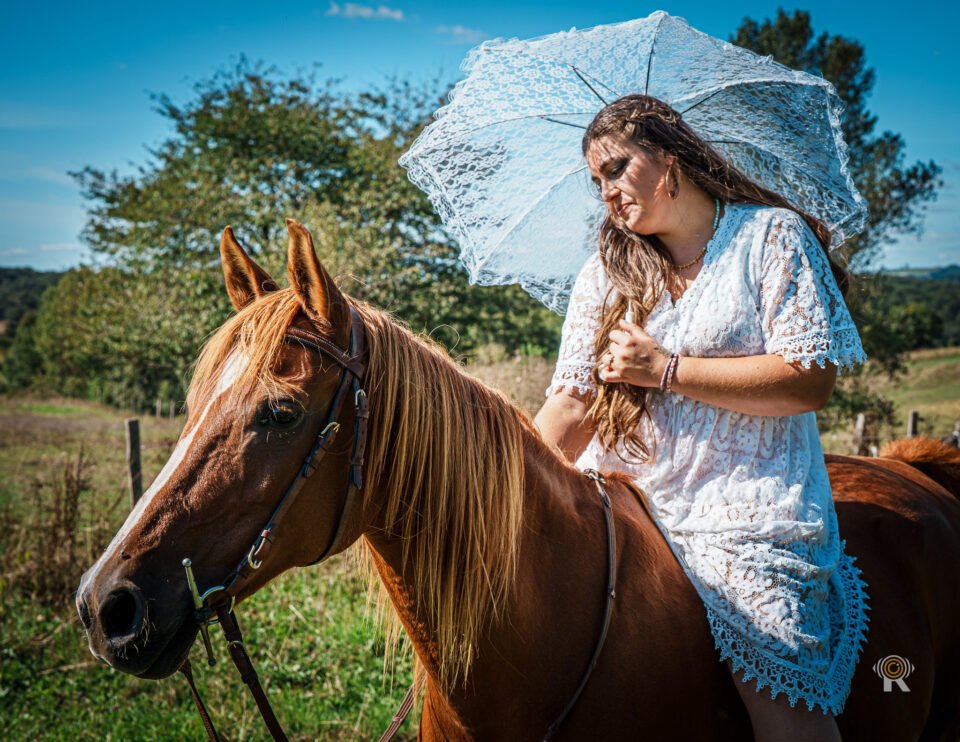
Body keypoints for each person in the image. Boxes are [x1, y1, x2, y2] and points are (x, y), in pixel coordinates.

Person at [534, 95, 870, 742]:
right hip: (626, 499)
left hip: (745, 509)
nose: (605, 192)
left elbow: (809, 380)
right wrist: (508, 483)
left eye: (615, 169)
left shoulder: (769, 237)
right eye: (595, 180)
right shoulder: (605, 271)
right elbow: (572, 401)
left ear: (667, 158)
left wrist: (665, 368)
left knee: (788, 726)